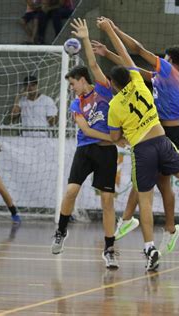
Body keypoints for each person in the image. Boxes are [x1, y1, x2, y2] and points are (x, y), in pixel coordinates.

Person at [97, 17, 179, 271]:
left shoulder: (164, 71)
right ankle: (151, 225)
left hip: (154, 140)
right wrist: (109, 50)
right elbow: (132, 68)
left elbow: (137, 52)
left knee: (150, 195)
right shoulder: (144, 82)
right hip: (162, 136)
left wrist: (114, 29)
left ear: (168, 58)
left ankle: (148, 237)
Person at [50, 18, 125, 269]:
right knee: (71, 191)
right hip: (85, 149)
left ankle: (110, 248)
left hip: (106, 153)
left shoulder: (103, 90)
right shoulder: (76, 104)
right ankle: (61, 231)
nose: (71, 89)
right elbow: (86, 129)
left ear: (82, 79)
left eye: (73, 84)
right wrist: (116, 138)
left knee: (107, 200)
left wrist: (85, 37)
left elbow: (93, 63)